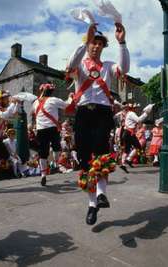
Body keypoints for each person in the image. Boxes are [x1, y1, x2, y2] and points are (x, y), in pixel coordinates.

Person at [65, 22, 129, 225]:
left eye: (100, 44)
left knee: (101, 152)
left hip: (102, 113)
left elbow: (125, 68)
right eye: (93, 42)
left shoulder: (108, 66)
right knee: (85, 160)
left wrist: (122, 43)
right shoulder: (79, 66)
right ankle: (92, 205)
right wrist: (85, 38)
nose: (96, 46)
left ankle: (102, 194)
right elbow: (70, 65)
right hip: (83, 113)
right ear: (88, 44)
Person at [32, 83, 70, 186]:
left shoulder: (35, 103)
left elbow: (33, 112)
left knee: (42, 153)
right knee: (57, 148)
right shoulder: (53, 100)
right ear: (51, 92)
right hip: (52, 129)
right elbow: (67, 105)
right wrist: (70, 97)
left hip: (41, 130)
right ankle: (57, 164)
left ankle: (43, 175)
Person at [120, 103, 152, 173]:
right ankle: (129, 159)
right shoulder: (131, 113)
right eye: (135, 108)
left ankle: (124, 163)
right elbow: (139, 120)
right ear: (132, 108)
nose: (136, 109)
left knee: (127, 149)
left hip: (127, 133)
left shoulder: (129, 113)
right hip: (129, 133)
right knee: (138, 147)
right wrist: (146, 113)